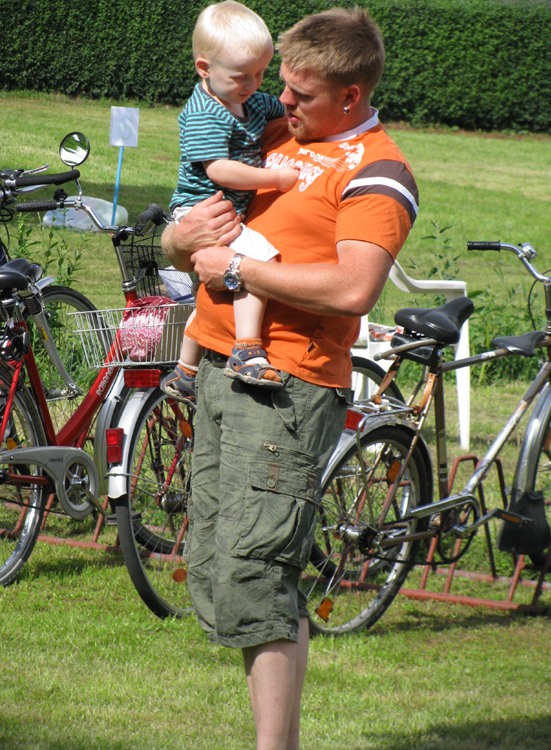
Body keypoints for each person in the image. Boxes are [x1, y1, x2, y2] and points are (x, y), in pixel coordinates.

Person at [162, 6, 419, 749]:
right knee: (217, 568)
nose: (281, 101)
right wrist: (180, 239)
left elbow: (353, 288)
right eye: (282, 85)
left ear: (350, 95)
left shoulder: (378, 170)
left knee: (257, 572)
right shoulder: (272, 133)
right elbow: (189, 242)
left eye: (301, 94)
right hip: (219, 368)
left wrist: (238, 269)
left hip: (286, 388)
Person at [161, 1, 299, 402]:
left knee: (213, 292)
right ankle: (247, 350)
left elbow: (287, 110)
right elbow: (219, 170)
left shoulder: (250, 99)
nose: (253, 84)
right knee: (256, 262)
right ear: (204, 68)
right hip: (200, 209)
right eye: (242, 76)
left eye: (261, 73)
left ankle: (185, 370)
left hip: (225, 209)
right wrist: (275, 179)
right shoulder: (204, 112)